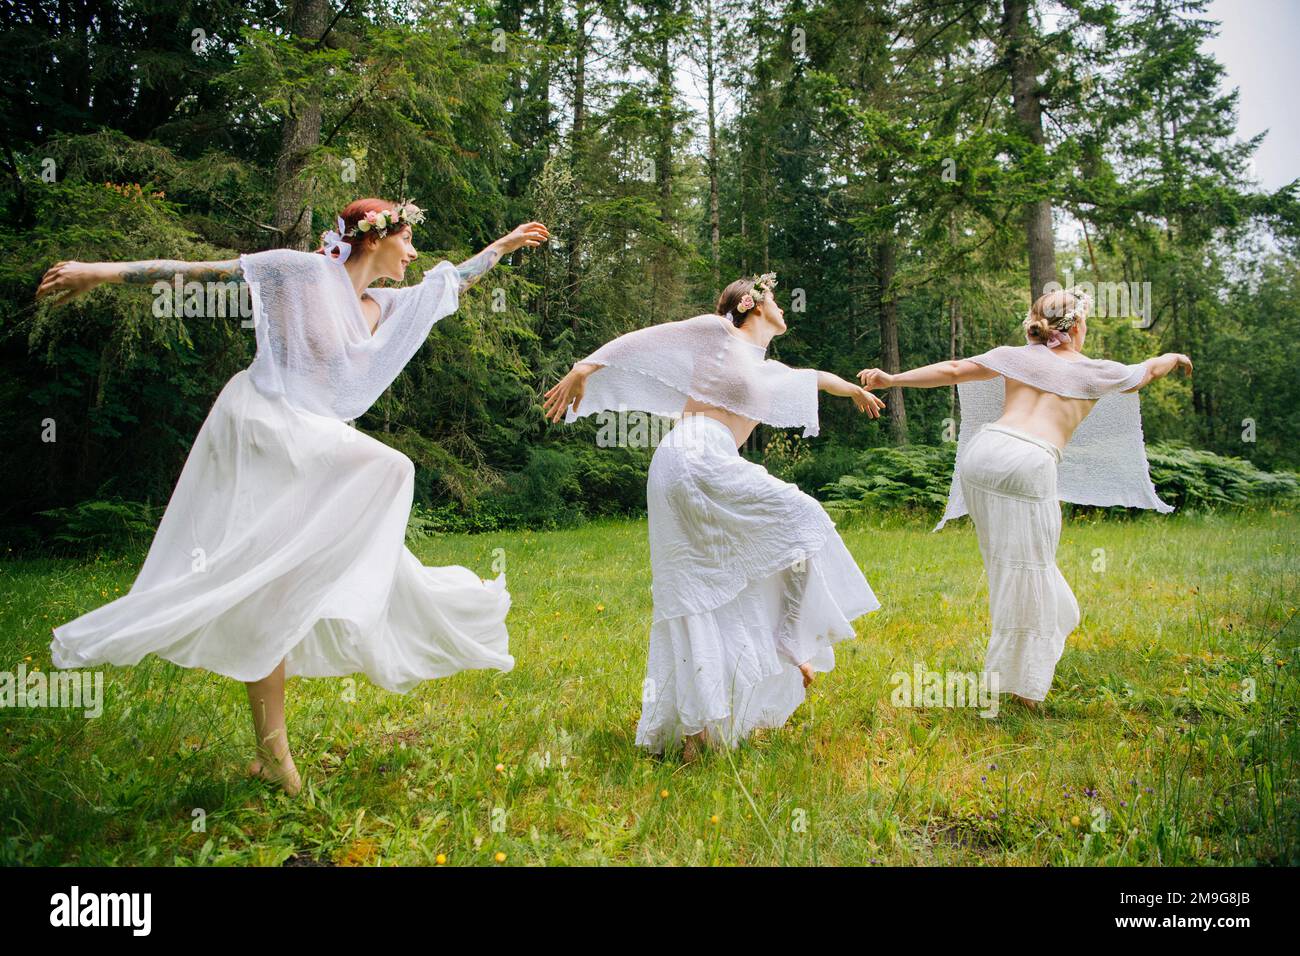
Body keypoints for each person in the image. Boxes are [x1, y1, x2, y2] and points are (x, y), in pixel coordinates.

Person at [39, 198, 550, 793]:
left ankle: (271, 752)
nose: (414, 254)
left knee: (273, 588)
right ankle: (326, 606)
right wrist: (98, 273)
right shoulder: (303, 273)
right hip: (264, 422)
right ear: (373, 238)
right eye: (407, 240)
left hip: (308, 440)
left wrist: (504, 247)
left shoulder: (384, 306)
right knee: (391, 467)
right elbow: (203, 271)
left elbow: (451, 281)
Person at [543, 272, 884, 759]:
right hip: (693, 456)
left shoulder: (763, 366)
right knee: (801, 517)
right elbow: (644, 342)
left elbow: (809, 379)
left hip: (698, 463)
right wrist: (585, 367)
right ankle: (789, 639)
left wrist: (850, 390)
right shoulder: (718, 333)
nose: (784, 308)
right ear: (751, 304)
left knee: (707, 587)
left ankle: (697, 733)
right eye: (775, 299)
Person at [859, 287, 1186, 707]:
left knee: (1013, 571)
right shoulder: (1094, 370)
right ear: (1077, 326)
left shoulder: (1018, 356)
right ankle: (1019, 688)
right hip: (1028, 461)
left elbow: (955, 369)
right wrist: (1174, 358)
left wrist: (892, 379)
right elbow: (1149, 371)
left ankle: (1020, 667)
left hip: (982, 455)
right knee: (1027, 572)